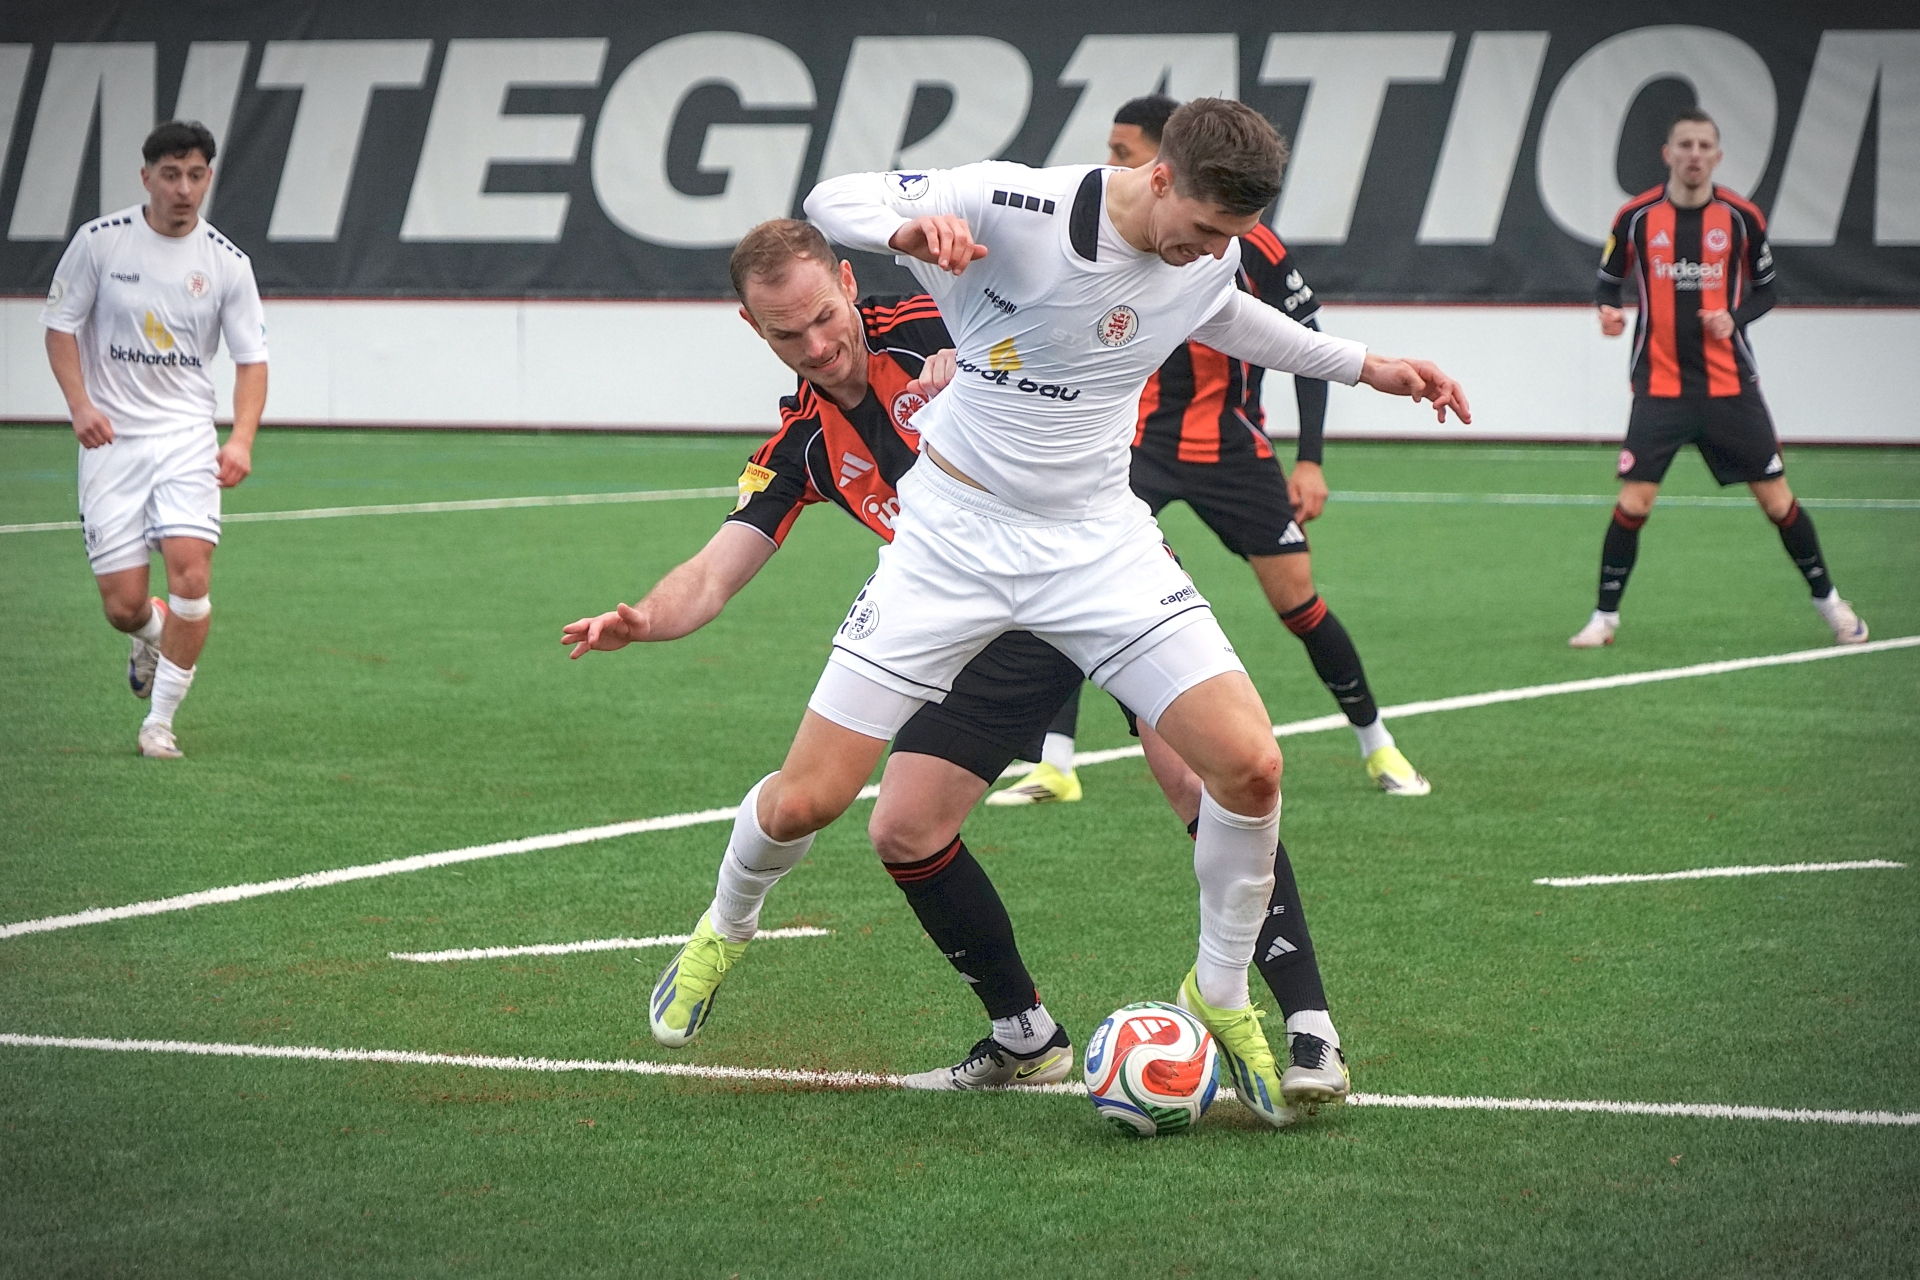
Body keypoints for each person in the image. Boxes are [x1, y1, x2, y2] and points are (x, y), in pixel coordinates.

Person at [603, 98, 1465, 1128]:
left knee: (1251, 762)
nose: (1213, 249)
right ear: (1159, 178)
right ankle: (724, 926)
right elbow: (832, 198)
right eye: (1205, 225)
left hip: (1099, 543)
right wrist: (906, 230)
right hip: (950, 545)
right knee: (811, 800)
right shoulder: (1019, 204)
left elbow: (1222, 309)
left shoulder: (1209, 252)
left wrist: (1368, 365)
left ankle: (1224, 992)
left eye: (1229, 236)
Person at [564, 219, 1089, 1090]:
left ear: (850, 281)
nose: (817, 344)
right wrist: (647, 618)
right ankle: (736, 931)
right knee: (842, 811)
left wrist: (987, 357)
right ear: (752, 329)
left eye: (824, 315)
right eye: (785, 333)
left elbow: (1062, 322)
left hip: (1075, 582)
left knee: (1213, 775)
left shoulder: (935, 324)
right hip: (956, 616)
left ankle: (1291, 1023)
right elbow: (715, 569)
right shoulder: (801, 443)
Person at [989, 93, 1428, 808]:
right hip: (1142, 447)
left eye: (1124, 151)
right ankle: (1055, 763)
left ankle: (1379, 744)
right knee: (1070, 583)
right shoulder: (1103, 233)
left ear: (1168, 162)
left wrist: (1309, 460)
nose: (1112, 165)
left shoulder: (1241, 243)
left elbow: (1306, 346)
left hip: (1232, 449)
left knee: (1299, 603)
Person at [1570, 108, 1866, 649]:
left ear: (1718, 156)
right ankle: (1604, 618)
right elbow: (1608, 283)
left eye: (1705, 146)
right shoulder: (1635, 217)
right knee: (1634, 503)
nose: (1694, 155)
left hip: (1730, 388)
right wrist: (1608, 313)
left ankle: (1832, 604)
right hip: (1659, 387)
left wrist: (1736, 317)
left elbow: (1768, 290)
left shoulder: (1741, 218)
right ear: (1668, 153)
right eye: (1684, 145)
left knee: (1777, 502)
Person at [41, 120, 268, 759]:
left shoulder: (226, 263)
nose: (183, 188)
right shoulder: (99, 244)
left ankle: (158, 723)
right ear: (146, 178)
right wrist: (79, 404)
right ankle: (149, 631)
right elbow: (60, 329)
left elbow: (253, 361)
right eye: (170, 174)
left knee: (192, 576)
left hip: (186, 442)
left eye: (195, 175)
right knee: (122, 604)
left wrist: (241, 439)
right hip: (111, 443)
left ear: (209, 178)